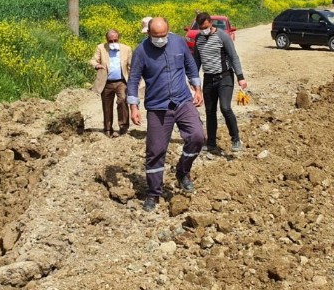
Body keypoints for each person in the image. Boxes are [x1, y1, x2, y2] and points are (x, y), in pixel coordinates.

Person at [127, 17, 205, 212]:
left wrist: (197, 88)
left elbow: (190, 65)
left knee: (198, 136)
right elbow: (134, 79)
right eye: (156, 36)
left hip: (182, 100)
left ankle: (182, 172)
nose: (160, 39)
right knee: (156, 151)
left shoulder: (178, 42)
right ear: (149, 34)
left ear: (168, 31)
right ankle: (154, 192)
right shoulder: (141, 51)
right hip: (158, 107)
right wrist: (133, 107)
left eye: (163, 36)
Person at [192, 12, 247, 153]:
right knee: (210, 112)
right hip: (209, 78)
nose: (204, 29)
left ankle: (235, 139)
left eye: (206, 26)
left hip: (225, 77)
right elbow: (196, 61)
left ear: (210, 23)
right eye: (201, 27)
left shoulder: (222, 36)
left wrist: (240, 77)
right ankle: (211, 143)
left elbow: (233, 56)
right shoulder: (199, 38)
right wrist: (193, 79)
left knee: (225, 108)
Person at [90, 29, 132, 137]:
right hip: (106, 82)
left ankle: (123, 126)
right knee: (107, 105)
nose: (113, 43)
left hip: (121, 81)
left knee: (122, 100)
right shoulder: (101, 48)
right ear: (106, 40)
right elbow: (93, 60)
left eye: (115, 40)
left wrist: (133, 78)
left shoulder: (126, 49)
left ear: (119, 39)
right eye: (110, 41)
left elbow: (130, 65)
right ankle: (108, 128)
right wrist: (97, 65)